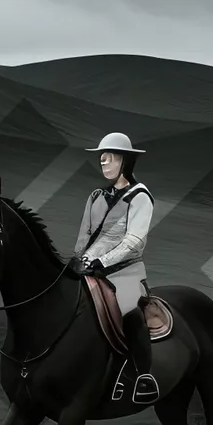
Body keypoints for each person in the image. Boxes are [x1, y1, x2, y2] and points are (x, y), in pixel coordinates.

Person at [71, 132, 159, 404]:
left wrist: (103, 262)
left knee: (130, 311)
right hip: (90, 270)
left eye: (110, 157)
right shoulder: (96, 196)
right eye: (102, 158)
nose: (104, 162)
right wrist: (77, 260)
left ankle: (142, 376)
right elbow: (84, 236)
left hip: (126, 272)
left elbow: (134, 241)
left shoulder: (140, 197)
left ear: (126, 161)